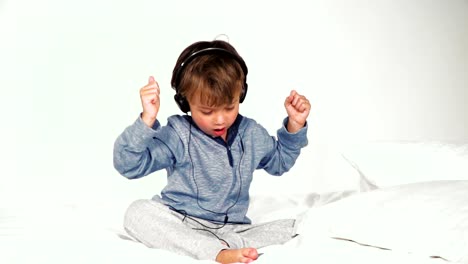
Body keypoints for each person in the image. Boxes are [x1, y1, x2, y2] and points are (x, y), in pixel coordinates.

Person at [113, 39, 311, 264]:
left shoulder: (250, 133)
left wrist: (295, 125)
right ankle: (217, 251)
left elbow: (279, 163)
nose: (220, 119)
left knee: (299, 225)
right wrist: (147, 119)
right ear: (184, 102)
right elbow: (128, 165)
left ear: (241, 95)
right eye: (207, 111)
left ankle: (226, 245)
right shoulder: (178, 133)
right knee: (137, 213)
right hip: (181, 222)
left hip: (234, 229)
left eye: (229, 107)